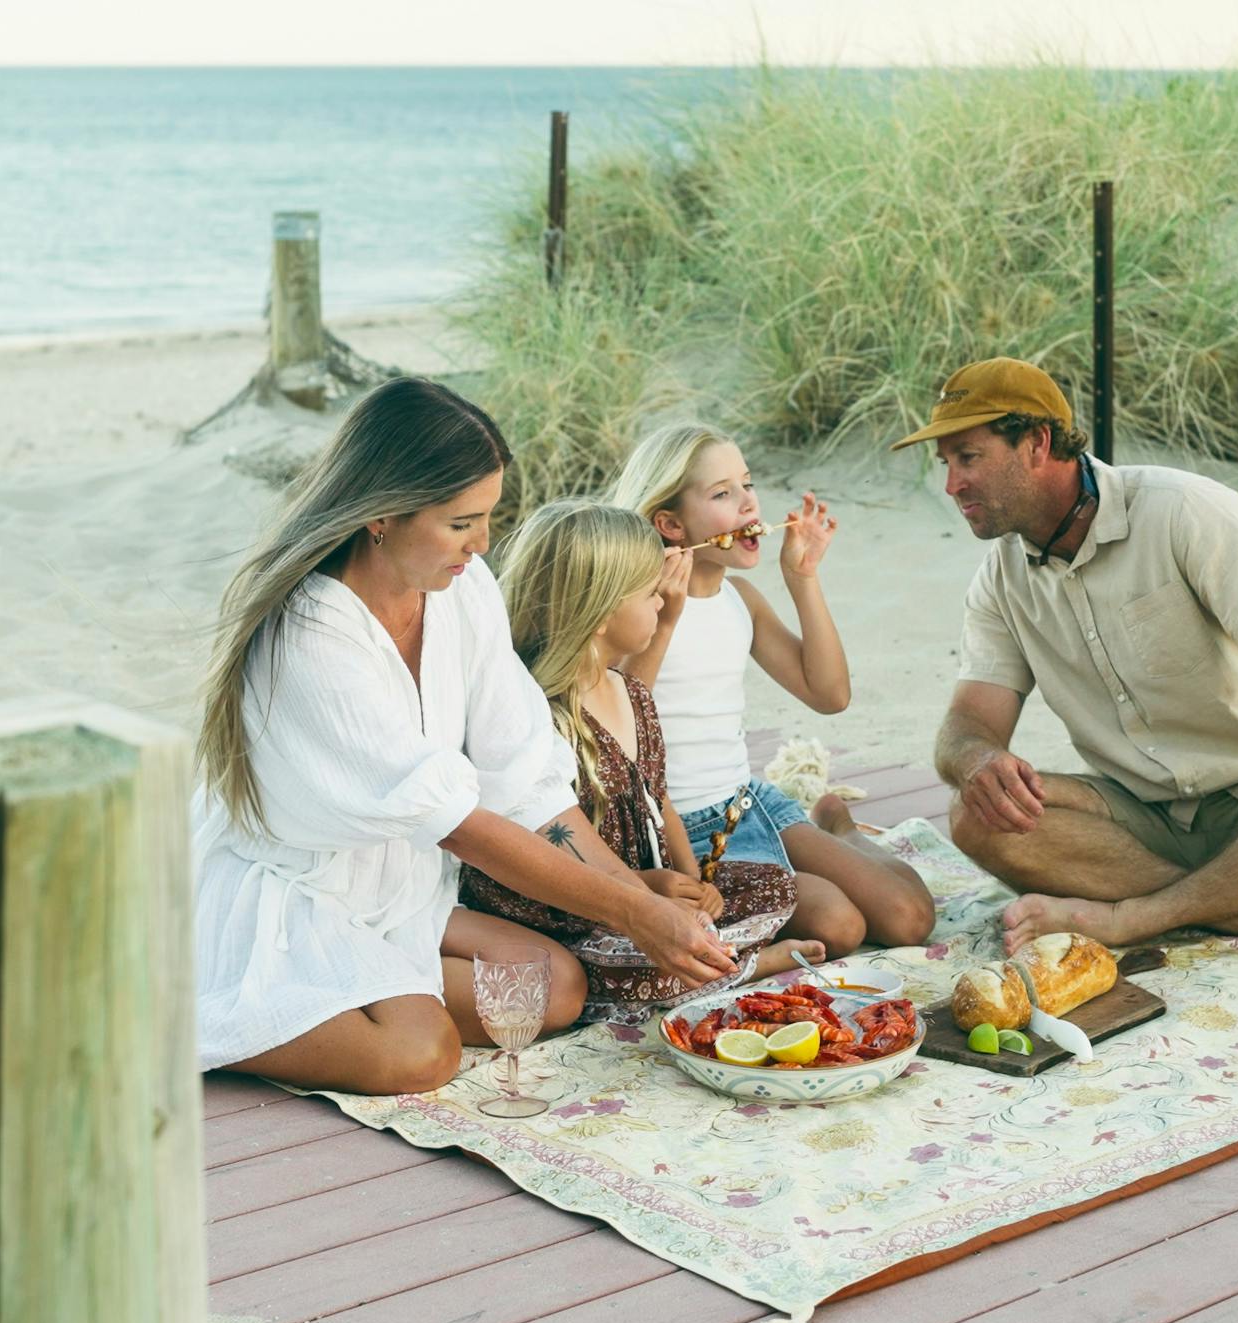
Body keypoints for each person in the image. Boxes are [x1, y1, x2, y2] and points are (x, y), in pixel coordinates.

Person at [192, 378, 736, 1097]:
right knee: (421, 1055)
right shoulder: (312, 631)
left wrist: (640, 892)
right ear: (382, 515)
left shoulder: (464, 589)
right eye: (460, 523)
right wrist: (632, 911)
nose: (483, 544)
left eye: (489, 518)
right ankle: (188, 1017)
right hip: (298, 894)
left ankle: (354, 997)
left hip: (402, 892)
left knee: (552, 990)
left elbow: (529, 783)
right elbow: (460, 825)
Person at [894, 357, 1238, 956]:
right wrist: (979, 758)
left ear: (1037, 443)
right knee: (974, 814)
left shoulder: (1179, 510)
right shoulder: (1001, 579)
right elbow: (968, 724)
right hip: (1133, 819)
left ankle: (1136, 917)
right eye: (948, 464)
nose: (952, 485)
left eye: (969, 458)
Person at [460, 499, 826, 1023]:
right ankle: (732, 967)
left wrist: (690, 879)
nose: (663, 603)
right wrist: (644, 897)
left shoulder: (633, 693)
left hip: (639, 890)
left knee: (772, 884)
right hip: (570, 913)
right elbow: (548, 850)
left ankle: (712, 963)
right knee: (638, 963)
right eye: (652, 593)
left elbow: (660, 800)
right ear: (604, 608)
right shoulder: (541, 711)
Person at [608, 422, 936, 953]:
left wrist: (802, 578)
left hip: (746, 803)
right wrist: (664, 619)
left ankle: (839, 827)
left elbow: (829, 695)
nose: (748, 505)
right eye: (722, 494)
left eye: (748, 484)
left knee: (910, 917)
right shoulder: (636, 609)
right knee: (839, 925)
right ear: (669, 523)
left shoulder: (741, 598)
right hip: (681, 831)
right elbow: (619, 726)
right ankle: (818, 841)